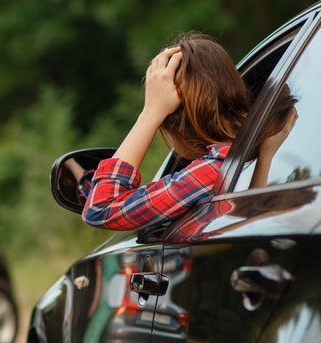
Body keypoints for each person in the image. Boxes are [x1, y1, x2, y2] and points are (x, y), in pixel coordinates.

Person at [82, 32, 297, 231]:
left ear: (172, 124)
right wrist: (266, 158)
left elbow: (100, 209)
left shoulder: (211, 172)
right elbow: (249, 222)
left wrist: (150, 113)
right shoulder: (241, 160)